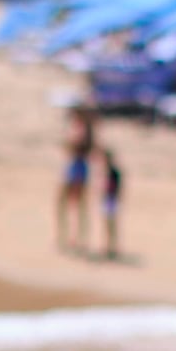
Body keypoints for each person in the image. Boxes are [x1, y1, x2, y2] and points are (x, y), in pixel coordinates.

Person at [56, 109, 95, 251]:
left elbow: (74, 148)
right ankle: (70, 237)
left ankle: (74, 238)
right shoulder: (82, 130)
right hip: (74, 168)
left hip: (77, 169)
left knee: (74, 205)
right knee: (72, 206)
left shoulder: (82, 131)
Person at [98, 147, 123, 260]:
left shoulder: (113, 172)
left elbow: (115, 188)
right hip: (108, 199)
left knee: (111, 225)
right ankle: (109, 247)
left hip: (111, 199)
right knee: (108, 225)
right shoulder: (107, 172)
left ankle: (112, 247)